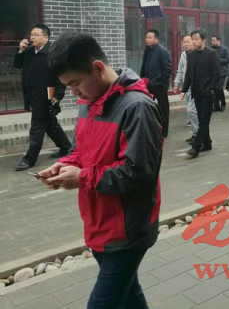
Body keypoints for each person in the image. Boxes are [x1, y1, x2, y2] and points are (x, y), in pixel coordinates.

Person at [39, 32, 163, 308]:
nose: (74, 92)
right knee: (129, 296)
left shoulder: (137, 108)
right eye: (67, 86)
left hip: (127, 229)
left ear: (97, 68)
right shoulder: (89, 102)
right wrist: (66, 165)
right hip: (98, 221)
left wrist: (82, 178)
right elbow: (81, 151)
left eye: (75, 83)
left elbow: (138, 171)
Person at [13, 24, 72, 171]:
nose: (32, 37)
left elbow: (60, 76)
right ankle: (67, 148)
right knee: (50, 122)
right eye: (31, 34)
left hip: (48, 92)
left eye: (36, 34)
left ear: (46, 38)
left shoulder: (52, 53)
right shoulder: (29, 51)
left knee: (38, 125)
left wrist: (58, 95)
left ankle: (29, 159)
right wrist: (21, 50)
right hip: (32, 92)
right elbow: (18, 65)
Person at [182, 29, 220, 158]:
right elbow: (189, 74)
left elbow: (216, 74)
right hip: (196, 92)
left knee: (204, 120)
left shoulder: (211, 54)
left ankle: (196, 146)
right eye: (192, 39)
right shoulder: (191, 55)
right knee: (201, 118)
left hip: (207, 93)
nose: (194, 41)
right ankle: (207, 143)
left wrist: (211, 89)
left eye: (196, 39)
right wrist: (184, 89)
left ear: (203, 40)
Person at [140, 29, 171, 138]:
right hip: (148, 84)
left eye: (150, 37)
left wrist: (163, 83)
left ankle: (164, 132)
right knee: (146, 107)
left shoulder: (163, 51)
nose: (147, 40)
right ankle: (150, 129)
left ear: (156, 39)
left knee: (163, 109)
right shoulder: (147, 51)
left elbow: (167, 69)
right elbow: (144, 66)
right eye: (146, 37)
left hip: (159, 86)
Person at [173, 35, 198, 145]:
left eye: (188, 42)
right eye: (184, 42)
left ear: (193, 42)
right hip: (186, 87)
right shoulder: (183, 55)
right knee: (190, 112)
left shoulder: (197, 54)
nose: (186, 44)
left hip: (195, 88)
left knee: (191, 111)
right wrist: (176, 83)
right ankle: (195, 134)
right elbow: (180, 70)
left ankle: (198, 134)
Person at [210, 35, 229, 112]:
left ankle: (223, 103)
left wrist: (217, 59)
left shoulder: (225, 49)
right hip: (213, 73)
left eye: (214, 40)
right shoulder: (211, 49)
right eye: (211, 40)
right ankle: (216, 106)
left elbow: (228, 60)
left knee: (219, 88)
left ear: (218, 40)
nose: (212, 42)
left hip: (222, 72)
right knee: (214, 89)